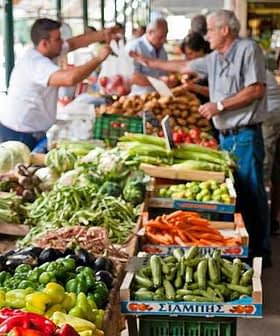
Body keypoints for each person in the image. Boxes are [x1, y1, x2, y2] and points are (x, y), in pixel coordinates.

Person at [130, 10, 271, 267]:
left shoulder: (248, 50)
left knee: (252, 193)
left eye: (210, 30)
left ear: (225, 30)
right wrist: (147, 62)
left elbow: (255, 89)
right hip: (226, 136)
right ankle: (246, 248)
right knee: (239, 193)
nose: (206, 35)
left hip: (246, 134)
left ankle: (260, 252)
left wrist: (219, 105)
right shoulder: (214, 58)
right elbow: (182, 66)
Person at [0, 18, 120, 150]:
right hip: (19, 132)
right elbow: (70, 79)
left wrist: (103, 34)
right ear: (44, 44)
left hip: (33, 130)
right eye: (58, 39)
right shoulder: (35, 63)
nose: (62, 42)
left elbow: (74, 43)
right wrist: (99, 58)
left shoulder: (50, 52)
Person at [126, 17, 168, 95]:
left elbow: (164, 72)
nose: (163, 40)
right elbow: (133, 77)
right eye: (160, 37)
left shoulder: (162, 49)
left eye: (165, 36)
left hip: (160, 94)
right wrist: (159, 82)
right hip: (139, 97)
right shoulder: (134, 47)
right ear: (149, 32)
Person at [262, 70, 280, 235]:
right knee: (273, 171)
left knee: (265, 171)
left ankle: (266, 224)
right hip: (272, 118)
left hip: (270, 120)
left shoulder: (256, 71)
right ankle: (271, 221)